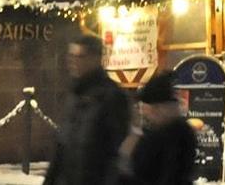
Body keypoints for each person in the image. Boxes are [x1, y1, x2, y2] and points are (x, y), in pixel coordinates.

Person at [42, 35, 130, 185]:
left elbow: (116, 153)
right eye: (71, 56)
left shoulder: (112, 96)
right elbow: (62, 146)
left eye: (80, 56)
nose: (73, 62)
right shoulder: (75, 94)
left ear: (95, 59)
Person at [122, 72, 196, 185]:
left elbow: (133, 175)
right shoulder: (186, 134)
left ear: (159, 108)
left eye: (148, 109)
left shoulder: (155, 140)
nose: (145, 114)